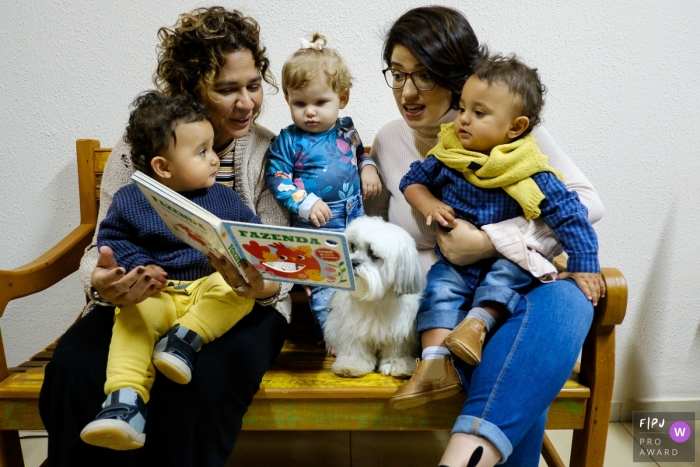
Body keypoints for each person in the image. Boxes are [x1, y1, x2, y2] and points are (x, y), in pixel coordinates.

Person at [39, 7, 292, 467]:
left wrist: (261, 284)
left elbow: (276, 255)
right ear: (190, 87)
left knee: (198, 386)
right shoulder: (143, 146)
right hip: (149, 293)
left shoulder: (269, 151)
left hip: (237, 302)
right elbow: (103, 241)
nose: (247, 103)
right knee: (73, 372)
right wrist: (105, 280)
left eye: (253, 85)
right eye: (226, 89)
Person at [366, 6, 604, 467]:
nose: (407, 92)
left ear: (456, 77)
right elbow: (375, 237)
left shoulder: (507, 135)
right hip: (441, 307)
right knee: (506, 359)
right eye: (397, 75)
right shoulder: (390, 140)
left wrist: (490, 241)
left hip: (507, 284)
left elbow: (586, 203)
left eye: (425, 76)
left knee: (570, 300)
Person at [80, 91, 263, 450]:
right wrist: (139, 267)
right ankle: (124, 402)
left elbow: (250, 233)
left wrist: (247, 259)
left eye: (213, 149)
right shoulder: (132, 199)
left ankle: (183, 339)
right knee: (131, 321)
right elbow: (113, 238)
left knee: (238, 296)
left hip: (208, 290)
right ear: (163, 167)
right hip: (157, 292)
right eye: (202, 152)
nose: (214, 160)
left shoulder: (223, 197)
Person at [399, 51, 604, 369]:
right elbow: (412, 182)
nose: (464, 118)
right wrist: (431, 203)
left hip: (510, 258)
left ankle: (476, 326)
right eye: (463, 108)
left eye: (479, 113)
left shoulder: (530, 169)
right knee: (438, 288)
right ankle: (432, 366)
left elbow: (570, 215)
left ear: (515, 127)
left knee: (508, 275)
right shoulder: (449, 155)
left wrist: (585, 263)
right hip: (456, 265)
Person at [265, 34, 381, 338]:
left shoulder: (347, 130)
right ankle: (338, 337)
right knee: (325, 285)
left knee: (365, 276)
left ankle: (369, 332)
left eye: (320, 102)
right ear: (288, 99)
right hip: (317, 226)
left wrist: (368, 168)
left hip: (356, 218)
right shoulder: (288, 141)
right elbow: (278, 179)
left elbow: (360, 154)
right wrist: (304, 202)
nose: (310, 111)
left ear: (342, 98)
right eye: (300, 103)